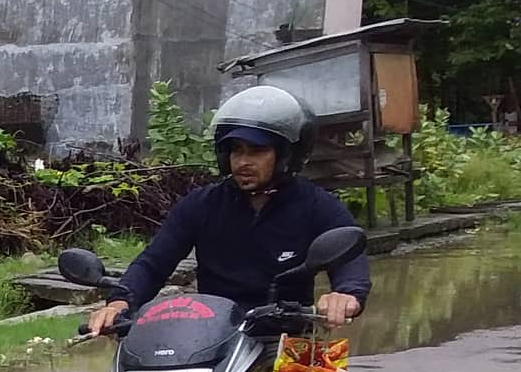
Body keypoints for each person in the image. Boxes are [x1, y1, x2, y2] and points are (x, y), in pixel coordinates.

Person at [87, 85, 370, 337]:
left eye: (257, 151)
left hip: (284, 339)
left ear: (286, 156)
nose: (243, 161)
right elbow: (154, 262)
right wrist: (121, 301)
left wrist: (345, 295)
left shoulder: (319, 206)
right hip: (212, 336)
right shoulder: (201, 205)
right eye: (236, 150)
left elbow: (350, 261)